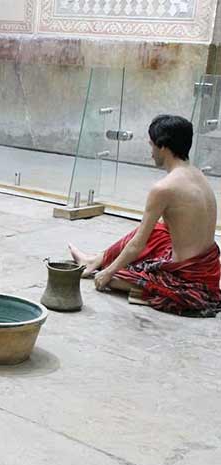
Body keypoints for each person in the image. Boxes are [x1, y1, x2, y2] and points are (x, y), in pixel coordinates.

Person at [69, 115, 221, 317]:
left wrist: (109, 272)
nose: (151, 153)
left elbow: (137, 245)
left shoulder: (164, 188)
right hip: (210, 270)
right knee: (156, 230)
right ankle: (95, 259)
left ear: (163, 147)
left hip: (189, 277)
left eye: (152, 146)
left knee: (112, 277)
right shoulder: (199, 175)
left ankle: (98, 266)